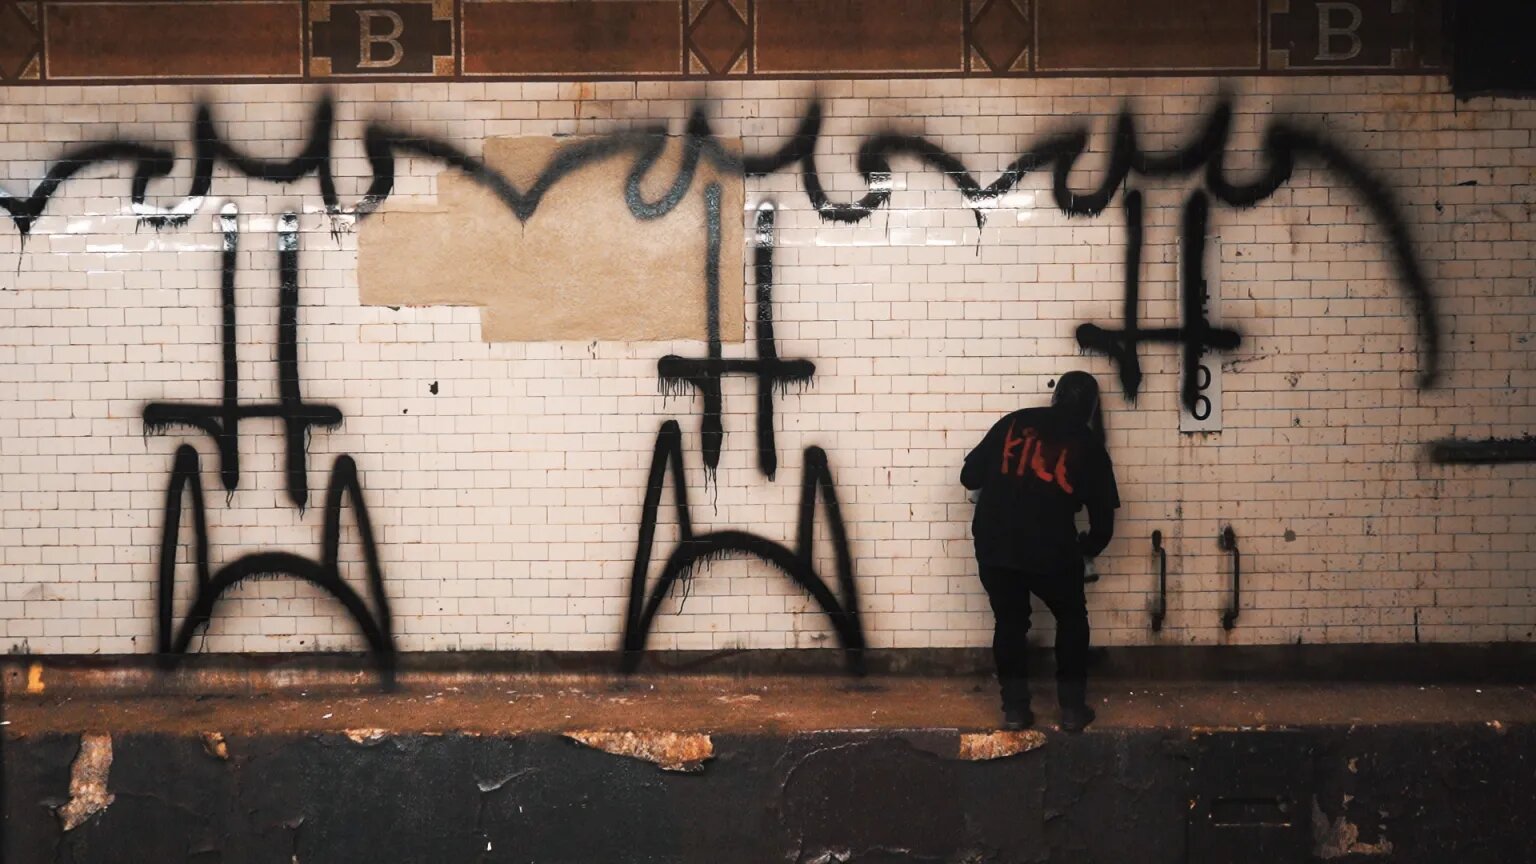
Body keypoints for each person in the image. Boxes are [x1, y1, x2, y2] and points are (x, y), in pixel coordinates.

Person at [961, 371, 1119, 733]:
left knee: (1010, 624)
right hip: (1051, 549)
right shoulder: (1089, 445)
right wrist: (1084, 551)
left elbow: (969, 477)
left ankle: (1015, 711)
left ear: (1056, 396)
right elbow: (1103, 524)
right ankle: (1073, 710)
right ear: (1091, 408)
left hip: (995, 543)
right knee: (1072, 619)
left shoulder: (1014, 422)